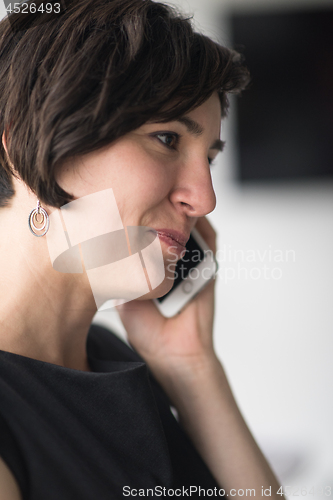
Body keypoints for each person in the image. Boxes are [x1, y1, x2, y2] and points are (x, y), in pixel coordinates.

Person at [0, 0, 283, 498]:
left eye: (210, 159)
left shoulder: (117, 361)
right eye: (167, 138)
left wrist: (192, 367)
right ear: (27, 145)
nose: (204, 199)